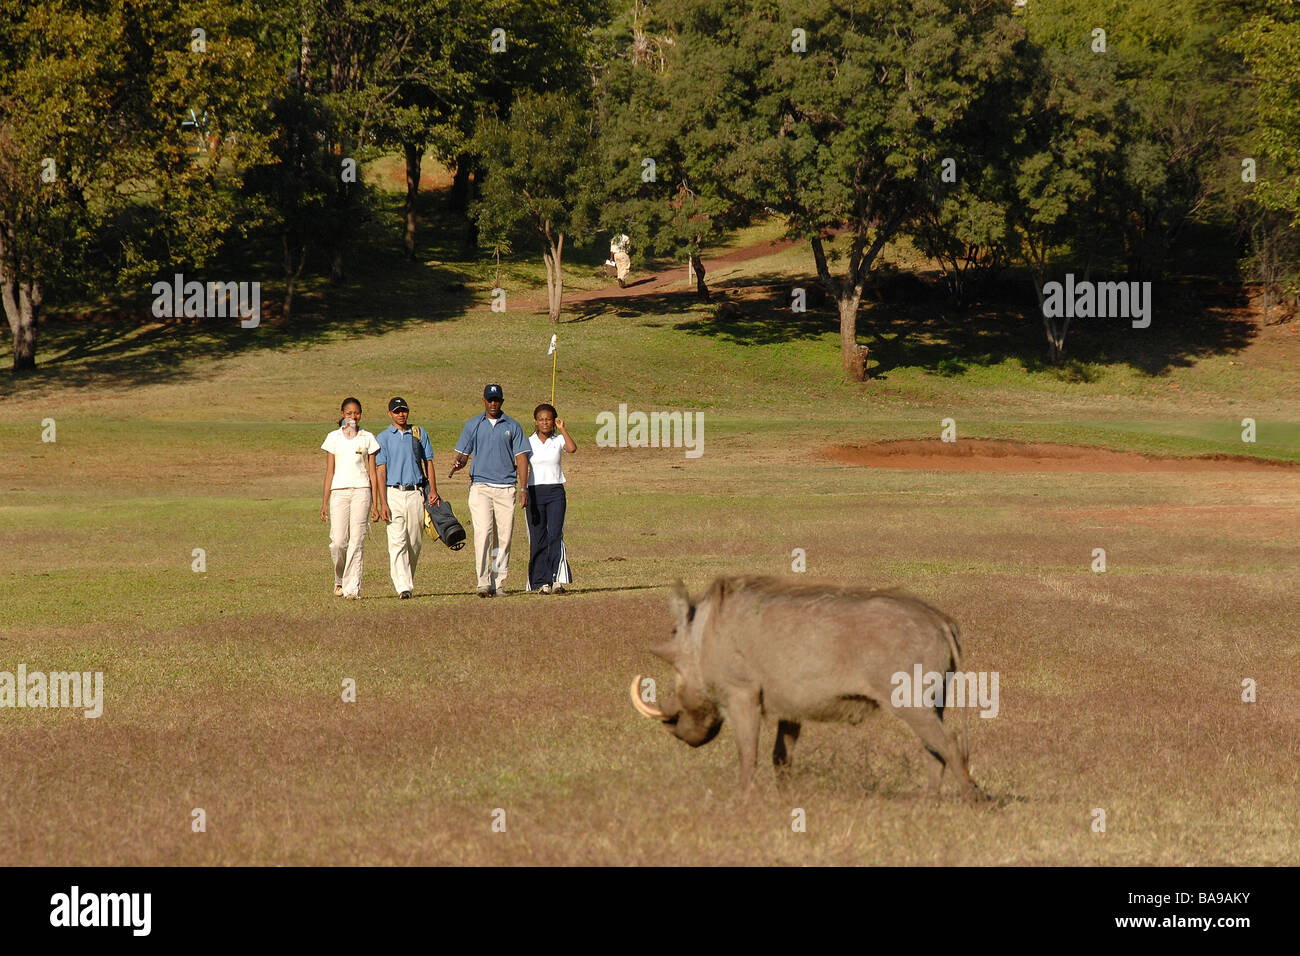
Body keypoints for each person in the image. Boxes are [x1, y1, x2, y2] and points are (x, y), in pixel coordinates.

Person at [448, 384, 530, 597]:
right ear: (484, 400)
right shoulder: (474, 425)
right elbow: (463, 455)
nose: (493, 404)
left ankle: (498, 581)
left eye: (497, 400)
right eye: (490, 400)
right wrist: (460, 463)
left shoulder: (513, 425)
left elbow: (521, 458)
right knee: (484, 533)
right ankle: (483, 581)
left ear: (502, 401)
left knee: (504, 537)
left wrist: (524, 488)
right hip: (481, 487)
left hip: (506, 488)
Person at [375, 396, 440, 599]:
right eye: (397, 411)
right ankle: (403, 587)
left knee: (414, 542)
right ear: (389, 414)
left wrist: (433, 490)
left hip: (415, 493)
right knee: (396, 542)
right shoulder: (383, 438)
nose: (401, 414)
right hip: (393, 492)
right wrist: (382, 502)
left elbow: (428, 461)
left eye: (404, 410)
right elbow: (381, 470)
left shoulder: (418, 433)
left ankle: (407, 580)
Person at [320, 397, 380, 600]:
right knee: (338, 542)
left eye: (356, 413)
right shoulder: (333, 438)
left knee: (357, 540)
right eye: (349, 413)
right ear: (342, 414)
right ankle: (339, 579)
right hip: (339, 492)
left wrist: (377, 503)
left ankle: (352, 588)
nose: (353, 417)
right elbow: (329, 472)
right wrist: (324, 502)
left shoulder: (367, 437)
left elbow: (373, 472)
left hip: (362, 491)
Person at [525, 404, 576, 594]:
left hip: (555, 492)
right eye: (541, 419)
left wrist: (562, 428)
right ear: (535, 421)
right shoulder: (528, 441)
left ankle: (557, 580)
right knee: (538, 537)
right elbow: (520, 464)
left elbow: (572, 449)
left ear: (553, 420)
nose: (544, 422)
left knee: (555, 534)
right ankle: (541, 582)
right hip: (534, 492)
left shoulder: (558, 439)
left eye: (548, 419)